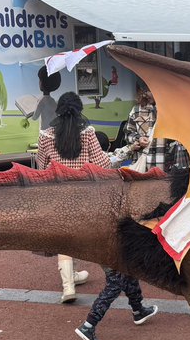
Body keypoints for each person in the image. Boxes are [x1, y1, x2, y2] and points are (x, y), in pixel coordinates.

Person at [37, 92, 147, 303]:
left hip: (59, 194)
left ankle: (69, 284)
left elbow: (42, 167)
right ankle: (119, 286)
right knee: (92, 236)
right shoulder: (87, 133)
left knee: (65, 238)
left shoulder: (45, 136)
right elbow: (102, 163)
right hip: (86, 193)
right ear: (79, 110)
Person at [28, 66, 62, 130]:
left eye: (40, 80)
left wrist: (30, 113)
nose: (39, 82)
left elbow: (35, 117)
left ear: (42, 82)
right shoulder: (53, 101)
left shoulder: (41, 101)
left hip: (45, 132)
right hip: (53, 130)